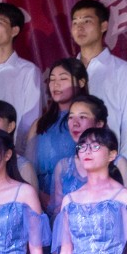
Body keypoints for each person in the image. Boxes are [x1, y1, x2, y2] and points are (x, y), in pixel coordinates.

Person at [71, 0, 127, 154]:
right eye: (75, 22)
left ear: (103, 26)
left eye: (87, 21)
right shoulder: (67, 71)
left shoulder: (121, 69)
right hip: (71, 157)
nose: (79, 27)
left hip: (106, 157)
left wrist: (123, 163)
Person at [49, 95, 127, 212]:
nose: (75, 123)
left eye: (82, 117)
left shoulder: (118, 162)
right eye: (70, 117)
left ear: (99, 123)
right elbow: (57, 213)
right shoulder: (63, 166)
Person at [0, 3, 43, 152]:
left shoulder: (28, 71)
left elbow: (31, 119)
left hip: (14, 153)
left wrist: (21, 154)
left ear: (14, 30)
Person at [33, 58, 88, 195]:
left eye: (63, 79)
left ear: (81, 82)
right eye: (52, 79)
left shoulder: (89, 121)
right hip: (40, 196)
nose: (56, 84)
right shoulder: (40, 123)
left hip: (76, 195)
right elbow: (28, 166)